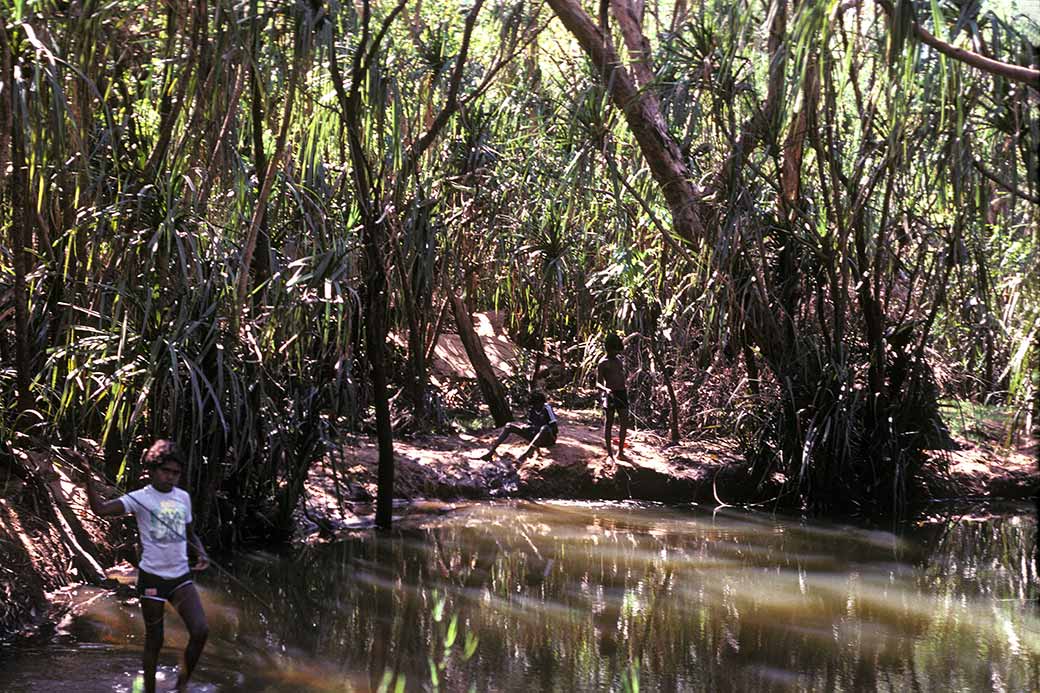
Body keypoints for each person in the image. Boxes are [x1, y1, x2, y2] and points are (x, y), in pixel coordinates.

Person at [82, 439, 210, 693]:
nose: (170, 477)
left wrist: (201, 552)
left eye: (176, 473)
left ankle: (181, 687)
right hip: (152, 580)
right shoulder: (140, 498)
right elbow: (100, 510)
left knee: (201, 631)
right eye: (165, 471)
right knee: (156, 640)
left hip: (181, 578)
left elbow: (190, 534)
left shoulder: (182, 498)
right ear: (152, 470)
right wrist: (87, 476)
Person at [479, 391, 559, 462]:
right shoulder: (532, 410)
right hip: (534, 437)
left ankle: (524, 456)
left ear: (541, 402)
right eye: (533, 405)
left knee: (544, 428)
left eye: (537, 404)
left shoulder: (547, 408)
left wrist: (534, 428)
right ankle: (491, 452)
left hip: (548, 439)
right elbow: (530, 425)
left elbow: (555, 429)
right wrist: (527, 427)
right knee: (509, 426)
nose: (535, 407)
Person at [597, 333, 629, 460]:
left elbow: (621, 376)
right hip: (610, 394)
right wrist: (606, 389)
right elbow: (598, 383)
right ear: (608, 348)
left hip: (622, 393)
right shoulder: (603, 363)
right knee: (609, 423)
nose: (616, 352)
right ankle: (609, 453)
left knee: (624, 421)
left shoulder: (618, 361)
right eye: (614, 349)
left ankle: (620, 451)